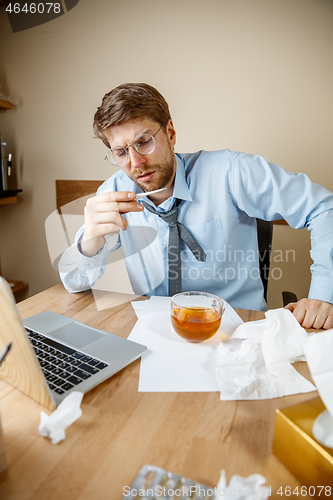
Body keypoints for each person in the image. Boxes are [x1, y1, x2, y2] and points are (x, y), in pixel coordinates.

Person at [59, 83, 333, 329]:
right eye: (121, 152)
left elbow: (323, 207)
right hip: (152, 331)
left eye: (144, 142)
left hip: (236, 330)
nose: (135, 162)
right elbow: (73, 282)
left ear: (170, 132)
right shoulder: (114, 193)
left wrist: (322, 296)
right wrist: (88, 245)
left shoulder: (231, 172)